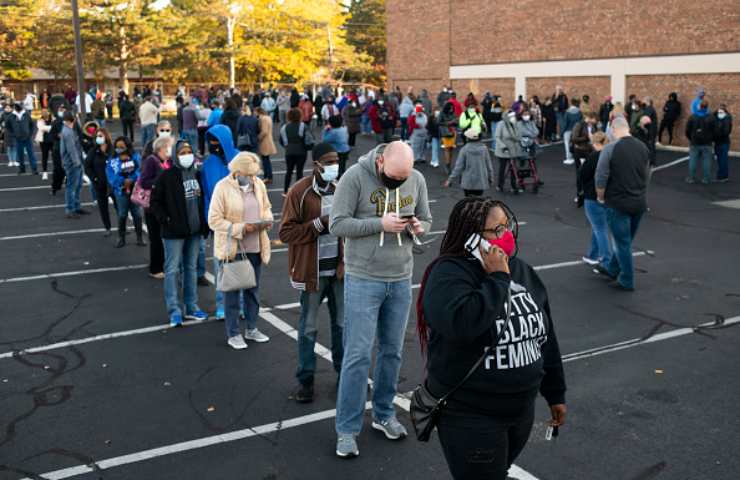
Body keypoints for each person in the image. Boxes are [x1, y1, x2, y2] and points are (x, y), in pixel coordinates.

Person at [417, 197, 566, 480]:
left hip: (521, 410)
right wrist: (497, 279)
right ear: (471, 237)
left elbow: (545, 337)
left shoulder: (521, 270)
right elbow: (463, 325)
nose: (505, 235)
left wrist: (555, 392)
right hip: (471, 416)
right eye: (495, 231)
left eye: (506, 226)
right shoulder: (447, 275)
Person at [329, 141, 432, 458]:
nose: (400, 182)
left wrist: (418, 226)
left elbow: (427, 220)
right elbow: (337, 224)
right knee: (357, 356)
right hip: (363, 278)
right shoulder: (354, 177)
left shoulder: (414, 178)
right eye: (394, 177)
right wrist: (380, 224)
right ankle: (347, 430)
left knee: (392, 352)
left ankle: (384, 414)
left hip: (400, 278)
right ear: (380, 162)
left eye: (404, 177)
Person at [279, 142, 345, 402]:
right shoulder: (299, 192)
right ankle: (305, 381)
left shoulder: (341, 190)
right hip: (311, 272)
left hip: (339, 272)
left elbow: (348, 229)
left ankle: (345, 377)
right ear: (316, 164)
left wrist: (344, 260)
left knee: (342, 327)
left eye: (336, 160)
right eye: (328, 161)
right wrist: (318, 224)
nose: (333, 166)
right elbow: (285, 233)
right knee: (308, 328)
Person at [208, 152, 273, 349]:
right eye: (249, 174)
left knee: (253, 291)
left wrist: (266, 220)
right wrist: (241, 228)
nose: (253, 177)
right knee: (232, 293)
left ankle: (252, 329)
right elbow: (214, 220)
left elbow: (267, 207)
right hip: (234, 248)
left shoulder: (258, 185)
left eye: (254, 174)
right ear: (238, 171)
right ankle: (233, 333)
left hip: (255, 247)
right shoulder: (222, 187)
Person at [149, 140, 209, 326]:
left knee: (191, 269)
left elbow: (202, 201)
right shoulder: (166, 176)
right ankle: (174, 310)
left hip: (194, 231)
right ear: (175, 155)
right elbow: (155, 202)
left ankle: (191, 307)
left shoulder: (197, 175)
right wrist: (166, 219)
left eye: (188, 151)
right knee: (172, 270)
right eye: (182, 152)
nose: (186, 155)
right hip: (173, 233)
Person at [594, 117, 649, 291]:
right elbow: (647, 173)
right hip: (639, 202)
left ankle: (627, 279)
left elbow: (601, 176)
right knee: (625, 240)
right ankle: (612, 268)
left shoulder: (610, 148)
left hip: (618, 203)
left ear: (614, 129)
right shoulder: (642, 147)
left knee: (622, 243)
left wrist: (600, 197)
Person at [201, 124, 240, 319]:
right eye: (211, 142)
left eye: (217, 141)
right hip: (220, 225)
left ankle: (240, 304)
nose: (213, 145)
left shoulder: (241, 159)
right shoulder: (208, 164)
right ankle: (222, 305)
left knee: (240, 265)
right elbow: (207, 195)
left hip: (241, 224)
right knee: (221, 267)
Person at [140, 135, 174, 278]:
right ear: (161, 148)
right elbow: (144, 182)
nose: (170, 149)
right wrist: (161, 181)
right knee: (156, 238)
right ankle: (155, 269)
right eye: (169, 146)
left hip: (163, 205)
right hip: (152, 206)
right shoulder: (151, 161)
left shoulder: (165, 161)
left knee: (163, 237)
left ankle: (162, 265)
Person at [578, 132, 612, 266]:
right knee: (599, 226)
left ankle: (606, 260)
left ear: (596, 143)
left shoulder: (593, 157)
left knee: (599, 228)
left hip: (593, 195)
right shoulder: (612, 156)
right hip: (609, 196)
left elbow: (583, 175)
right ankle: (592, 254)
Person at [107, 136, 145, 248]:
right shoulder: (112, 160)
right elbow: (111, 176)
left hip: (134, 189)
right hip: (120, 191)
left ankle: (139, 238)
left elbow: (140, 171)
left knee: (137, 214)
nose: (119, 149)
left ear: (127, 147)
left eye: (122, 147)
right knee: (122, 214)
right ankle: (121, 238)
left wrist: (132, 179)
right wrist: (123, 181)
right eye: (117, 147)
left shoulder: (135, 157)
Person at [443, 128, 493, 196]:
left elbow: (458, 167)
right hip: (481, 182)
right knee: (478, 201)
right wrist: (490, 179)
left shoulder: (464, 150)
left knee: (468, 202)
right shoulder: (484, 149)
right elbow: (489, 166)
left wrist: (450, 180)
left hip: (468, 182)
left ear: (467, 138)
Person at [87, 128, 116, 236]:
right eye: (97, 136)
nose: (98, 138)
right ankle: (107, 228)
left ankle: (123, 227)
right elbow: (87, 167)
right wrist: (94, 178)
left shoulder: (113, 150)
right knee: (103, 207)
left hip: (113, 185)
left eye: (101, 136)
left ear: (106, 137)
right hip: (100, 185)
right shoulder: (93, 151)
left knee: (119, 207)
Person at [59, 111, 87, 218]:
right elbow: (71, 150)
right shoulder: (68, 132)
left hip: (75, 162)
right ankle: (70, 209)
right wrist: (77, 163)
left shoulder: (68, 130)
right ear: (74, 120)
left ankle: (76, 206)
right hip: (73, 164)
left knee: (78, 185)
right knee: (71, 187)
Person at [280, 108, 313, 194]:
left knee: (289, 171)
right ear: (300, 115)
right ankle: (299, 191)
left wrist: (287, 146)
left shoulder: (284, 127)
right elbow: (309, 139)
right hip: (301, 151)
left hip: (289, 151)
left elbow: (281, 141)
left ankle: (285, 190)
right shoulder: (303, 126)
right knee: (299, 172)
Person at [685, 100, 716, 184]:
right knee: (707, 161)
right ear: (707, 107)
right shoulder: (711, 117)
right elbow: (715, 130)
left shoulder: (693, 117)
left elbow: (687, 130)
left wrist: (691, 138)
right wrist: (712, 139)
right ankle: (706, 179)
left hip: (695, 142)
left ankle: (691, 178)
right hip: (707, 143)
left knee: (693, 160)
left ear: (699, 106)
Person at [570, 111, 598, 200]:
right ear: (589, 118)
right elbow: (574, 138)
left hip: (590, 151)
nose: (595, 122)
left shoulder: (593, 126)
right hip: (580, 151)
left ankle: (588, 193)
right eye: (594, 120)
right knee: (580, 173)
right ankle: (579, 194)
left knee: (590, 173)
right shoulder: (579, 124)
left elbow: (595, 135)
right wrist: (586, 138)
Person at [5, 102, 38, 174]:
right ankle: (22, 169)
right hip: (18, 138)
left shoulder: (26, 115)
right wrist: (13, 134)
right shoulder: (11, 116)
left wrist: (30, 134)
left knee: (31, 154)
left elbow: (32, 125)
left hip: (27, 138)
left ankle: (34, 169)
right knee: (20, 155)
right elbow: (7, 126)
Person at [494, 111, 522, 193]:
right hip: (504, 150)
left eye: (514, 116)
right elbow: (497, 137)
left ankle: (514, 186)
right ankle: (500, 185)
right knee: (502, 168)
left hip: (513, 149)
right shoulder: (501, 124)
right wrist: (503, 146)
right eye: (511, 116)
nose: (513, 117)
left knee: (513, 168)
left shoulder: (515, 124)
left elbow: (518, 136)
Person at [256, 107, 276, 185]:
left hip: (265, 141)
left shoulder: (263, 119)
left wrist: (258, 138)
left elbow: (264, 131)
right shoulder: (268, 117)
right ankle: (268, 176)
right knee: (266, 160)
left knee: (265, 161)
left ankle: (267, 177)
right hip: (269, 140)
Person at [714, 104, 732, 183]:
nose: (719, 112)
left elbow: (726, 131)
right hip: (718, 142)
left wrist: (717, 133)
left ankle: (723, 176)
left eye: (721, 111)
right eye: (719, 111)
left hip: (724, 142)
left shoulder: (727, 119)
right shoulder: (717, 118)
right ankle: (721, 176)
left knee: (723, 160)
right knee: (719, 160)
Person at [561, 98, 582, 165]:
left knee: (567, 144)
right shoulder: (579, 112)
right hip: (577, 130)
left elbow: (565, 123)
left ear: (571, 103)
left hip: (568, 130)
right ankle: (580, 157)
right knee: (578, 144)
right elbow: (581, 122)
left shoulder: (567, 112)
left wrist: (562, 132)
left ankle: (569, 158)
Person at [439, 102, 458, 172]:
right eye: (450, 108)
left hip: (453, 133)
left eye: (452, 108)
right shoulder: (442, 113)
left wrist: (455, 122)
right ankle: (447, 165)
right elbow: (438, 122)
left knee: (451, 149)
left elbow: (457, 122)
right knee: (447, 149)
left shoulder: (453, 113)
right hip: (445, 133)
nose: (452, 110)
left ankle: (449, 164)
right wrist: (448, 123)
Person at [35, 110, 53, 180]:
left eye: (47, 112)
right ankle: (45, 172)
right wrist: (50, 127)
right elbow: (41, 128)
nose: (45, 114)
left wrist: (47, 127)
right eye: (44, 113)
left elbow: (55, 126)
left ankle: (56, 171)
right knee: (44, 156)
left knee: (55, 156)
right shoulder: (40, 120)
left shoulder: (52, 118)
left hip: (52, 141)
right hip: (44, 141)